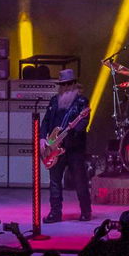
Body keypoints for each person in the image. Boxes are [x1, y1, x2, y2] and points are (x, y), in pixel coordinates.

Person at [40, 69, 92, 223]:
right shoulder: (54, 101)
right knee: (55, 181)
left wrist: (72, 130)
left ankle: (86, 211)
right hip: (54, 148)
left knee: (80, 180)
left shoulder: (82, 102)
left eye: (69, 84)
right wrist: (42, 138)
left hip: (75, 148)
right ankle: (55, 212)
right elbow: (46, 121)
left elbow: (84, 122)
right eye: (63, 84)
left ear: (74, 84)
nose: (66, 87)